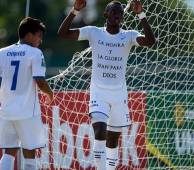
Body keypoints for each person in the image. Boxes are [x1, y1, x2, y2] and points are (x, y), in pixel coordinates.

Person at [58, 0, 155, 169]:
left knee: (112, 140)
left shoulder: (129, 35)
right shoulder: (94, 32)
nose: (117, 14)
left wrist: (141, 14)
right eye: (114, 11)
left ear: (123, 18)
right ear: (106, 14)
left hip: (119, 95)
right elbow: (63, 33)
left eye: (120, 13)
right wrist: (74, 11)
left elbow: (150, 41)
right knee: (100, 131)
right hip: (99, 93)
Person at [0, 17, 53, 170]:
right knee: (29, 152)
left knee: (8, 152)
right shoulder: (35, 53)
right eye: (38, 35)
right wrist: (50, 93)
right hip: (27, 113)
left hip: (7, 112)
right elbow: (40, 80)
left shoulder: (1, 52)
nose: (40, 40)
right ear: (29, 35)